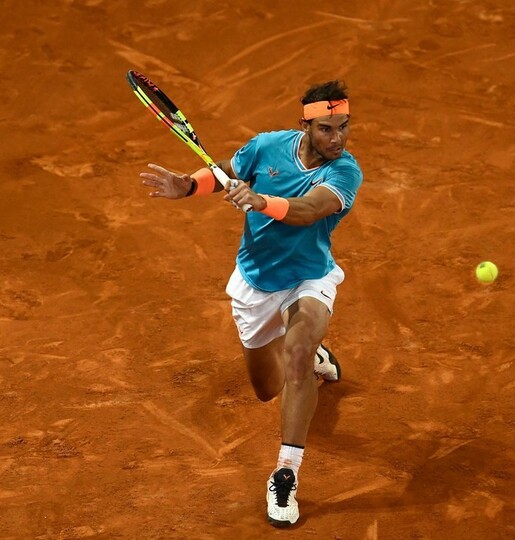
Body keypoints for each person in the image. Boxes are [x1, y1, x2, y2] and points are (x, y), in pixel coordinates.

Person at [139, 80, 362, 528]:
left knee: (297, 353)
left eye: (343, 127)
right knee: (267, 388)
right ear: (305, 126)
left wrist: (259, 200)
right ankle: (313, 355)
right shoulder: (267, 147)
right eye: (326, 129)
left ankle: (285, 473)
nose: (336, 138)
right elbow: (225, 171)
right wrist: (189, 186)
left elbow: (308, 210)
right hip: (256, 283)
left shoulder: (345, 172)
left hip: (308, 276)